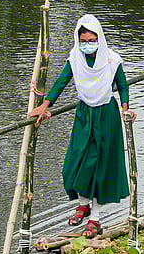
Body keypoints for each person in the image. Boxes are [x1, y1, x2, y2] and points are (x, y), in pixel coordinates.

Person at [28, 15, 131, 239]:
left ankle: (95, 219)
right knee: (75, 162)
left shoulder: (112, 60)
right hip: (84, 114)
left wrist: (125, 109)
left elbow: (122, 86)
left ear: (99, 38)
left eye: (91, 39)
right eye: (83, 40)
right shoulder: (75, 58)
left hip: (107, 116)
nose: (87, 44)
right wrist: (45, 105)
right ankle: (83, 204)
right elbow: (61, 82)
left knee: (101, 167)